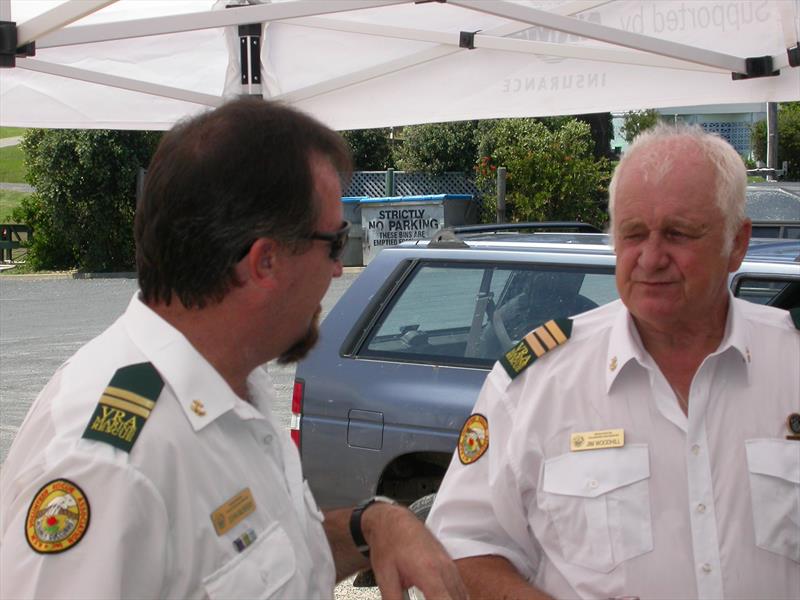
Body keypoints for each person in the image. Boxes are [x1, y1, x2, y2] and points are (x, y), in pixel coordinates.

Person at [0, 98, 466, 600]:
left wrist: (372, 524)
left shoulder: (233, 385)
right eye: (335, 242)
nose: (338, 270)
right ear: (264, 262)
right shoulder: (109, 465)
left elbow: (279, 557)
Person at [427, 124, 800, 599]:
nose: (651, 257)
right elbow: (460, 550)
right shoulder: (537, 382)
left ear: (737, 243)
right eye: (633, 234)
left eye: (678, 233)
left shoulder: (790, 360)